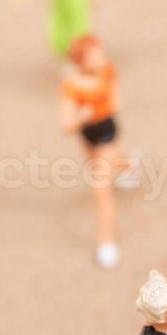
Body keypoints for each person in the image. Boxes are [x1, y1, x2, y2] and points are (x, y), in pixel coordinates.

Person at [59, 35, 121, 269]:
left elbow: (115, 98)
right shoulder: (71, 86)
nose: (102, 58)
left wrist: (112, 104)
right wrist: (80, 117)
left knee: (101, 189)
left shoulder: (107, 71)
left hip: (107, 133)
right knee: (109, 165)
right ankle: (131, 165)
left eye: (101, 53)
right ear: (81, 61)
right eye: (95, 56)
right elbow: (65, 125)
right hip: (87, 136)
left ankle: (107, 243)